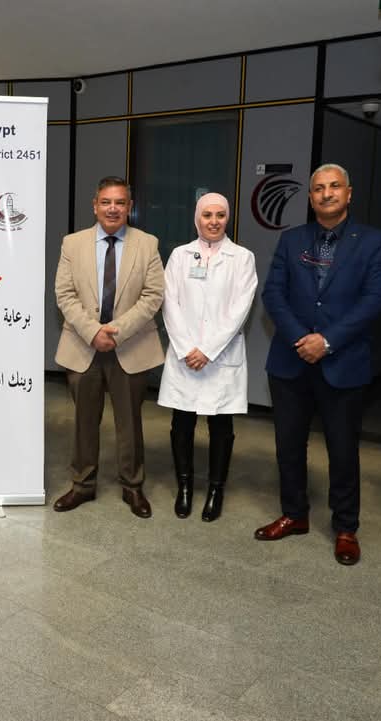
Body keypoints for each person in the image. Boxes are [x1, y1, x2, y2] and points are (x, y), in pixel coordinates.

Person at [255, 163, 381, 565]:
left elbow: (375, 299)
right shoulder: (291, 238)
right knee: (288, 446)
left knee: (343, 451)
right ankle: (294, 514)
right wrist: (303, 339)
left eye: (334, 187)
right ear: (311, 197)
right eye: (318, 188)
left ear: (349, 193)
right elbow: (273, 293)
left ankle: (346, 527)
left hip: (343, 362)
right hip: (290, 360)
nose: (326, 193)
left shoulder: (372, 241)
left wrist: (327, 341)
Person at [52, 176, 165, 518]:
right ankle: (82, 485)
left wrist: (116, 332)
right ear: (95, 205)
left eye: (119, 202)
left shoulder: (148, 244)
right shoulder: (72, 243)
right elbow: (64, 294)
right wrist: (92, 332)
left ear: (129, 207)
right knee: (84, 421)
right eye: (106, 202)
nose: (112, 208)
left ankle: (132, 486)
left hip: (129, 346)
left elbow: (153, 295)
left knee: (130, 422)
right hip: (83, 345)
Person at [158, 192, 257, 521]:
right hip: (185, 355)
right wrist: (188, 349)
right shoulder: (179, 256)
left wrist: (208, 350)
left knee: (221, 425)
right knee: (182, 423)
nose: (214, 221)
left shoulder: (242, 258)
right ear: (197, 218)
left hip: (221, 357)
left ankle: (216, 490)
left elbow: (240, 310)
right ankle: (184, 487)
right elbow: (169, 303)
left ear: (228, 218)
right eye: (207, 215)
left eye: (220, 215)